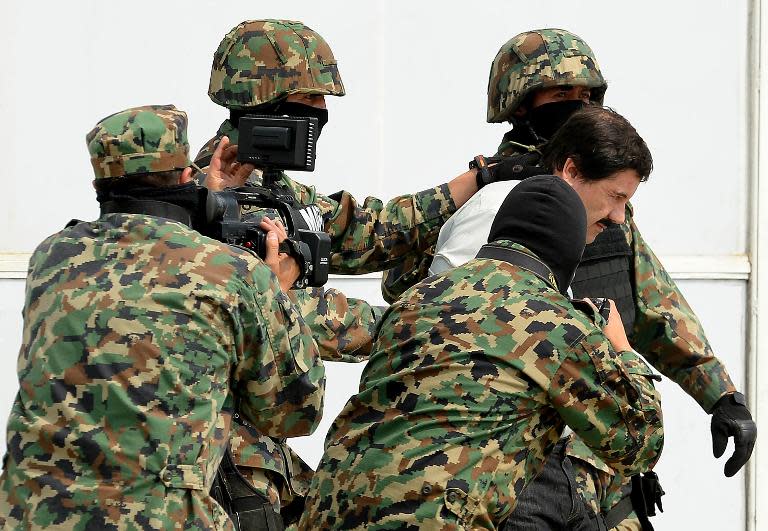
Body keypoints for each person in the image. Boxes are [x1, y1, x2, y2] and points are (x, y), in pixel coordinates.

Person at [398, 28, 756, 530]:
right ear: (520, 103)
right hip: (514, 463)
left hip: (603, 456)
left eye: (589, 96)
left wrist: (721, 396)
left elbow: (655, 308)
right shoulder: (481, 197)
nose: (578, 105)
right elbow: (415, 302)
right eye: (562, 95)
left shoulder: (607, 201)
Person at [196, 19, 520, 527]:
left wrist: (481, 177)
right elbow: (283, 312)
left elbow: (374, 230)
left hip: (266, 453)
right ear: (264, 102)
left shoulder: (277, 192)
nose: (323, 114)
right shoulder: (207, 208)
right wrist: (426, 327)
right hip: (221, 461)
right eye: (309, 101)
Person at [0, 105, 324, 530]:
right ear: (187, 180)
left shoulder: (52, 258)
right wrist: (276, 291)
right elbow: (295, 412)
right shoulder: (234, 273)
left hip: (31, 513)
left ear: (99, 182)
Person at [299, 175, 664, 530]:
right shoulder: (560, 323)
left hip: (330, 509)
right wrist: (621, 346)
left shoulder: (418, 298)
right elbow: (640, 444)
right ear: (569, 248)